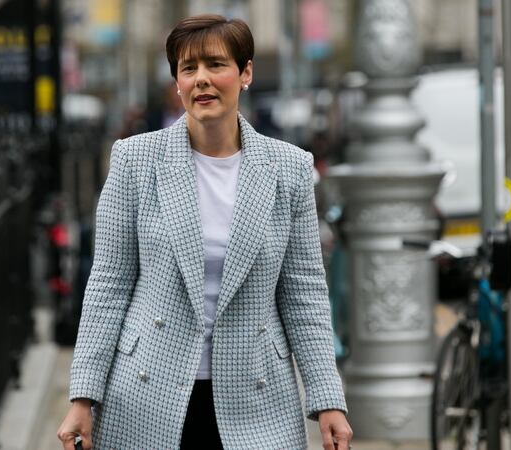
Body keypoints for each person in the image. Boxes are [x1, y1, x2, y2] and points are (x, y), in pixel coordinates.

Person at [57, 14, 352, 450]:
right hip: (147, 393)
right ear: (176, 81)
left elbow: (304, 292)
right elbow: (108, 284)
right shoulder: (135, 160)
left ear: (246, 73)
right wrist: (83, 397)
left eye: (215, 64)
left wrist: (328, 401)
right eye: (188, 68)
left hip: (258, 396)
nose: (201, 79)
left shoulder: (289, 168)